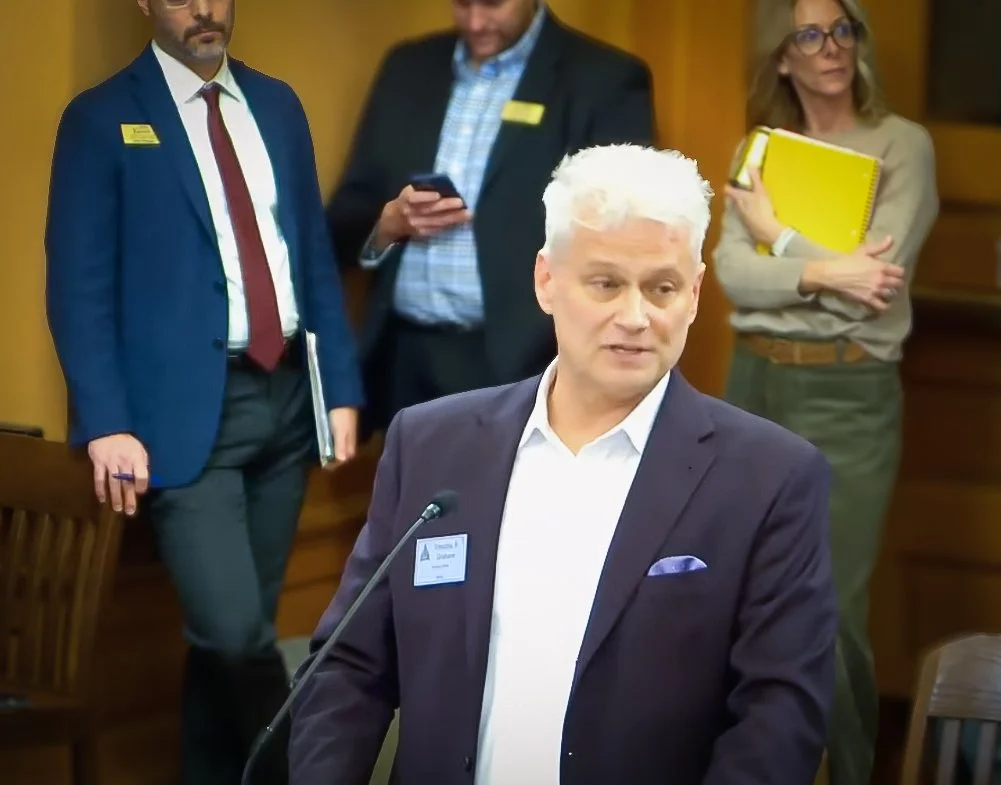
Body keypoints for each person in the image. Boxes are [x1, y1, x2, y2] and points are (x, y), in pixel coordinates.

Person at [288, 144, 838, 785]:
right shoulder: (431, 445)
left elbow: (778, 716)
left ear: (693, 294)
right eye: (606, 284)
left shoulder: (770, 478)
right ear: (546, 281)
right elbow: (348, 666)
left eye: (661, 288)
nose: (635, 318)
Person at [44, 1, 363, 783]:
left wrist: (340, 389)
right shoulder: (101, 119)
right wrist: (105, 422)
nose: (203, 8)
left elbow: (309, 256)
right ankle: (304, 773)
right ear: (145, 4)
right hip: (185, 418)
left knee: (223, 638)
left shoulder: (277, 105)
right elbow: (78, 286)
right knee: (235, 635)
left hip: (287, 403)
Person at [711, 1, 939, 783]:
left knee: (830, 609)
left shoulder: (901, 145)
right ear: (781, 57)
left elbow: (872, 286)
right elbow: (729, 273)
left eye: (842, 29)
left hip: (847, 387)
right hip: (751, 381)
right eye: (807, 35)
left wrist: (776, 237)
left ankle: (847, 771)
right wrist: (823, 268)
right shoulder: (758, 149)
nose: (830, 47)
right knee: (741, 594)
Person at [328, 0, 657, 435]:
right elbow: (347, 214)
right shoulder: (407, 67)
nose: (476, 22)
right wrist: (386, 226)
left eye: (493, 4)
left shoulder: (605, 79)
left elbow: (624, 234)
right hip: (403, 360)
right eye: (462, 4)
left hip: (526, 362)